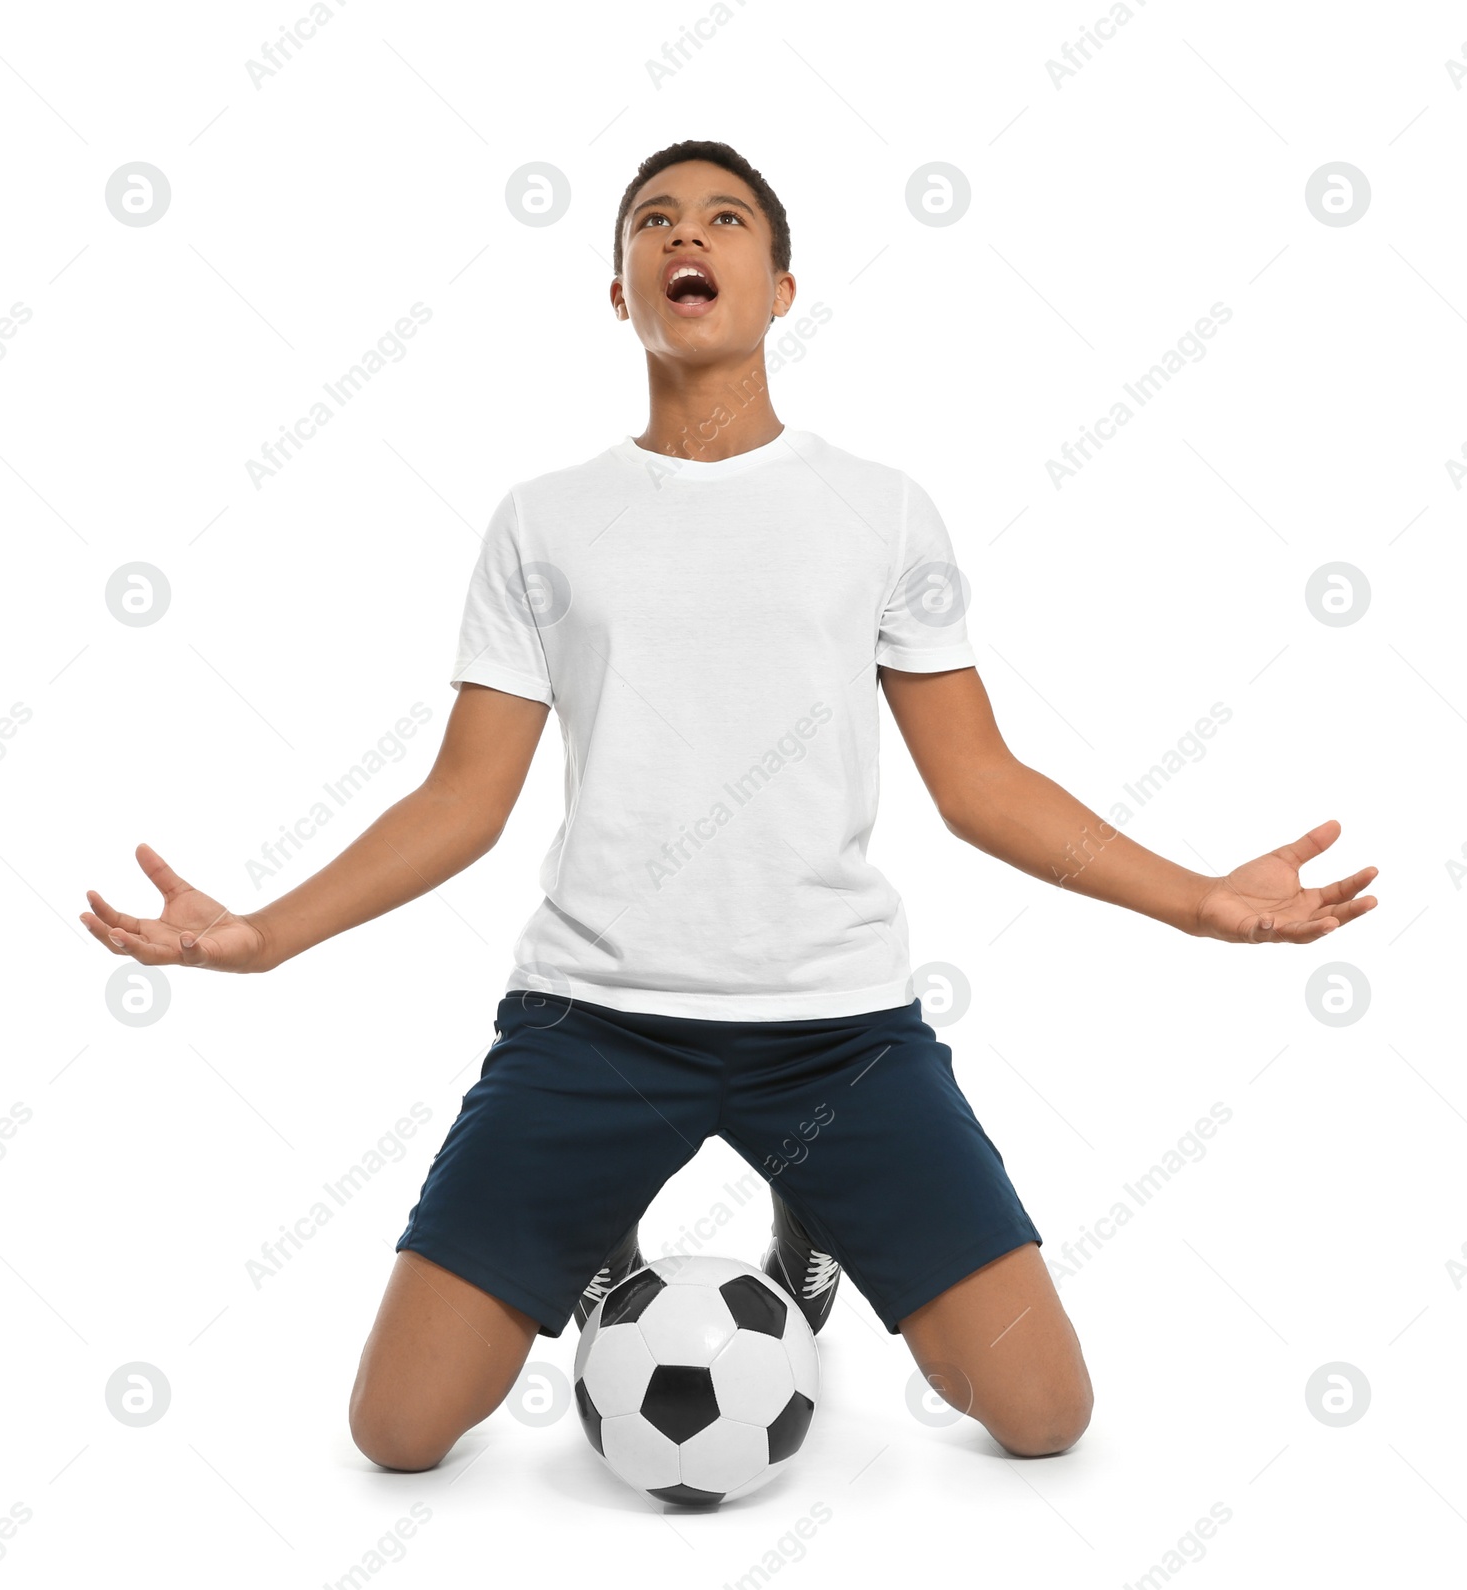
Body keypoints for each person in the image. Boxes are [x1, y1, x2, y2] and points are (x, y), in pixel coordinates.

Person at [79, 139, 1379, 1475]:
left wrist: (1202, 898)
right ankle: (603, 1238)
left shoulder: (880, 511)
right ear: (621, 289)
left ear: (781, 284)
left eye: (722, 218)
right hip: (590, 1026)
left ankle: (807, 1229)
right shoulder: (544, 521)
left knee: (1046, 1417)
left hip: (837, 1034)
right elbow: (464, 799)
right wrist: (266, 931)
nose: (682, 234)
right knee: (397, 1433)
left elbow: (979, 781)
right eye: (651, 220)